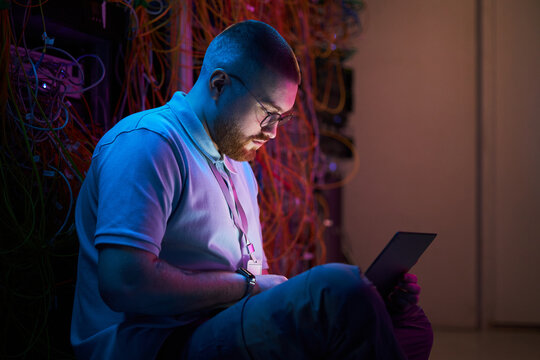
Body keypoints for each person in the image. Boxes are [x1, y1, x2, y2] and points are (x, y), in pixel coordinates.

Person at [71, 20, 433, 360]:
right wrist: (248, 287)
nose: (273, 132)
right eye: (267, 112)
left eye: (283, 118)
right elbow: (123, 282)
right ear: (219, 84)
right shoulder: (150, 144)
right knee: (338, 286)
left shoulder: (238, 167)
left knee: (408, 325)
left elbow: (252, 267)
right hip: (156, 343)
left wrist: (265, 284)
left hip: (221, 322)